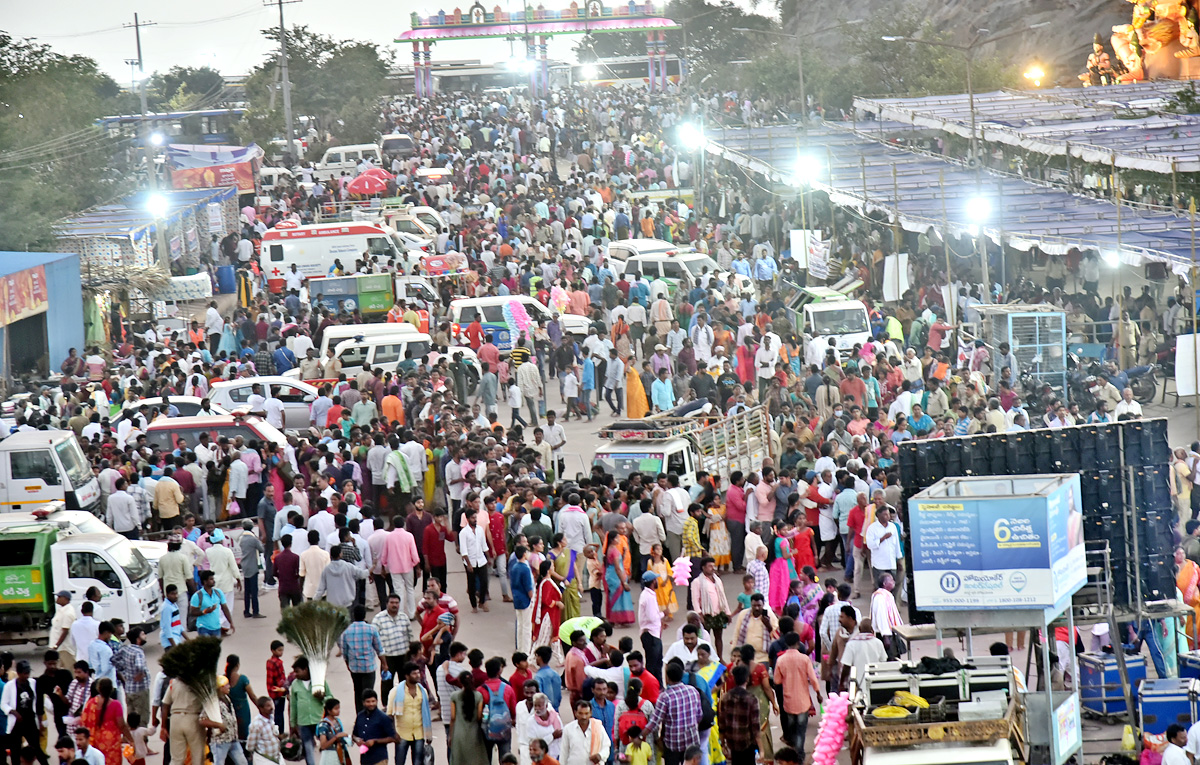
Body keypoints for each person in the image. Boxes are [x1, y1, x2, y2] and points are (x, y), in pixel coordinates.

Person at [773, 632, 822, 758]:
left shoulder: (781, 660)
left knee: (792, 729)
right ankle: (799, 754)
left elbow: (777, 680)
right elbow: (813, 679)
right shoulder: (804, 659)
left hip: (788, 701)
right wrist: (818, 693)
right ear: (797, 644)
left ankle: (794, 751)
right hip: (803, 701)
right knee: (801, 730)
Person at [339, 605, 384, 714]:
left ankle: (360, 715)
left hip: (355, 668)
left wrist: (348, 665)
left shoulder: (346, 632)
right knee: (369, 692)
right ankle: (370, 715)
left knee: (358, 692)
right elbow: (379, 649)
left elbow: (344, 652)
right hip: (369, 667)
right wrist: (385, 663)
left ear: (353, 616)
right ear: (364, 615)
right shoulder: (371, 629)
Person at [3, 660, 48, 765]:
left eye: (28, 673)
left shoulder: (33, 683)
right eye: (25, 673)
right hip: (16, 724)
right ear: (18, 673)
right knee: (15, 750)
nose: (27, 675)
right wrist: (13, 712)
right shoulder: (9, 686)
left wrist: (40, 721)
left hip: (30, 721)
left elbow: (38, 703)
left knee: (36, 748)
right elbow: (3, 704)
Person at [386, 663, 432, 765]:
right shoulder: (395, 692)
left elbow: (426, 713)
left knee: (418, 762)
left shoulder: (423, 691)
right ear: (407, 676)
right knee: (400, 761)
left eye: (418, 673)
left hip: (419, 734)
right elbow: (389, 715)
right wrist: (394, 733)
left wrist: (428, 734)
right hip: (402, 734)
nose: (418, 675)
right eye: (414, 673)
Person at [78, 678, 131, 765]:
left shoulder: (91, 703)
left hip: (95, 741)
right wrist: (131, 740)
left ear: (98, 688)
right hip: (112, 744)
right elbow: (122, 725)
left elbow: (83, 721)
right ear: (112, 689)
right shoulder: (116, 705)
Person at [291, 657, 332, 765]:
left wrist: (322, 697)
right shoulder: (295, 684)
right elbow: (293, 705)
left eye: (297, 671)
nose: (295, 674)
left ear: (305, 669)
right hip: (303, 722)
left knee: (326, 745)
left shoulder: (319, 681)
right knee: (308, 749)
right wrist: (293, 723)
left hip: (318, 720)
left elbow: (330, 698)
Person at [717, 664, 760, 765]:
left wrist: (723, 744)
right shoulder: (752, 699)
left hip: (732, 743)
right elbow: (755, 728)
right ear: (747, 679)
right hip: (748, 744)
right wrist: (762, 750)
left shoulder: (726, 697)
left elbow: (722, 724)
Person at [204, 676, 247, 765]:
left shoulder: (227, 698)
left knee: (242, 762)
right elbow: (202, 720)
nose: (229, 687)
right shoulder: (213, 702)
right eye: (226, 685)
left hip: (233, 739)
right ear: (221, 687)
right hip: (220, 741)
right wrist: (218, 725)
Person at [449, 672, 488, 765]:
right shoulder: (478, 695)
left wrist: (450, 735)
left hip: (458, 733)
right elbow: (479, 716)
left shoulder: (454, 696)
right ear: (472, 680)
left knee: (459, 759)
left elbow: (453, 717)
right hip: (474, 733)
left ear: (460, 681)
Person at [560, 699, 610, 765]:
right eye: (580, 713)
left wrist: (600, 756)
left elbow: (606, 746)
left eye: (586, 713)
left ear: (591, 713)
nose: (584, 717)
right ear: (575, 713)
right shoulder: (568, 729)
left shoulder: (598, 727)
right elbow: (564, 752)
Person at [189, 570, 234, 637]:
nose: (213, 581)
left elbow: (225, 608)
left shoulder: (218, 593)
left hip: (216, 627)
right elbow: (192, 612)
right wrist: (205, 611)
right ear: (205, 581)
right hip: (203, 627)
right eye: (211, 579)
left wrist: (230, 622)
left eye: (213, 579)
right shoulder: (197, 596)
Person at [316, 698, 350, 765]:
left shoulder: (337, 721)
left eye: (339, 708)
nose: (338, 711)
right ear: (329, 711)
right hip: (329, 755)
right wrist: (336, 737)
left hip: (340, 753)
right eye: (336, 709)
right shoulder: (323, 726)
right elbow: (323, 746)